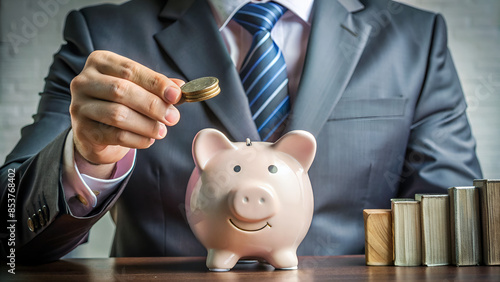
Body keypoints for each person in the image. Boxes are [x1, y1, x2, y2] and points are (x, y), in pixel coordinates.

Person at [0, 0, 481, 264]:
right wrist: (84, 157)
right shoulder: (102, 36)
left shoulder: (415, 39)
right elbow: (8, 235)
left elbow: (459, 230)